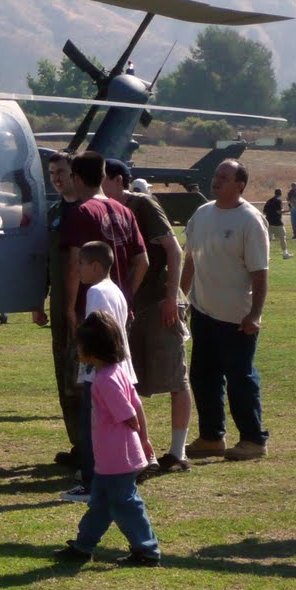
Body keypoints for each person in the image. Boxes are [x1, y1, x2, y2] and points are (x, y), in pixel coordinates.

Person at [102, 160, 192, 476]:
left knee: (175, 375)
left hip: (157, 302)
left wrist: (172, 298)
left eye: (101, 179)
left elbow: (174, 250)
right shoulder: (102, 209)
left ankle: (178, 452)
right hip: (127, 305)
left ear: (117, 180)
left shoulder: (142, 204)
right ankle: (139, 451)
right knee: (128, 379)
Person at [54, 312, 161, 567]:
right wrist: (144, 440)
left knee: (126, 503)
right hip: (110, 458)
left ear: (93, 349)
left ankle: (147, 550)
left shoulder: (104, 380)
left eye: (80, 345)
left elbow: (128, 414)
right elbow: (137, 407)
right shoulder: (118, 371)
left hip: (117, 458)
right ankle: (83, 545)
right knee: (100, 504)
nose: (78, 349)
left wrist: (138, 436)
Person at [182, 160, 270, 461]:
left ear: (239, 185)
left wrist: (254, 314)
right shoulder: (202, 213)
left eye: (224, 177)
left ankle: (253, 440)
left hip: (236, 317)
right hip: (203, 312)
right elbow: (190, 260)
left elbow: (260, 273)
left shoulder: (250, 220)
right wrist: (182, 299)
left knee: (240, 379)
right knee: (202, 377)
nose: (216, 180)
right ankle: (211, 437)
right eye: (216, 175)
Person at [60, 241, 143, 504]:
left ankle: (91, 484)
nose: (78, 269)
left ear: (96, 266)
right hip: (120, 368)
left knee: (93, 429)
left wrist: (88, 368)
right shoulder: (115, 289)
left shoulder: (96, 292)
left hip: (101, 371)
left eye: (82, 264)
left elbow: (98, 334)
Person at [32, 152, 82, 466]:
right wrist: (39, 300)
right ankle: (78, 443)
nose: (57, 178)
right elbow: (45, 262)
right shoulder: (53, 213)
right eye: (52, 173)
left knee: (83, 377)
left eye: (61, 172)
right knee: (64, 375)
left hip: (84, 308)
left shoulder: (87, 211)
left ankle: (92, 446)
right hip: (59, 306)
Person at [262, 188, 291, 260]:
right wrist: (288, 210)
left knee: (268, 240)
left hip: (269, 222)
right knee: (282, 238)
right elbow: (279, 211)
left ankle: (266, 256)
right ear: (280, 194)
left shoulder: (268, 201)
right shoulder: (279, 201)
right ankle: (285, 254)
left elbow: (264, 212)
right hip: (277, 223)